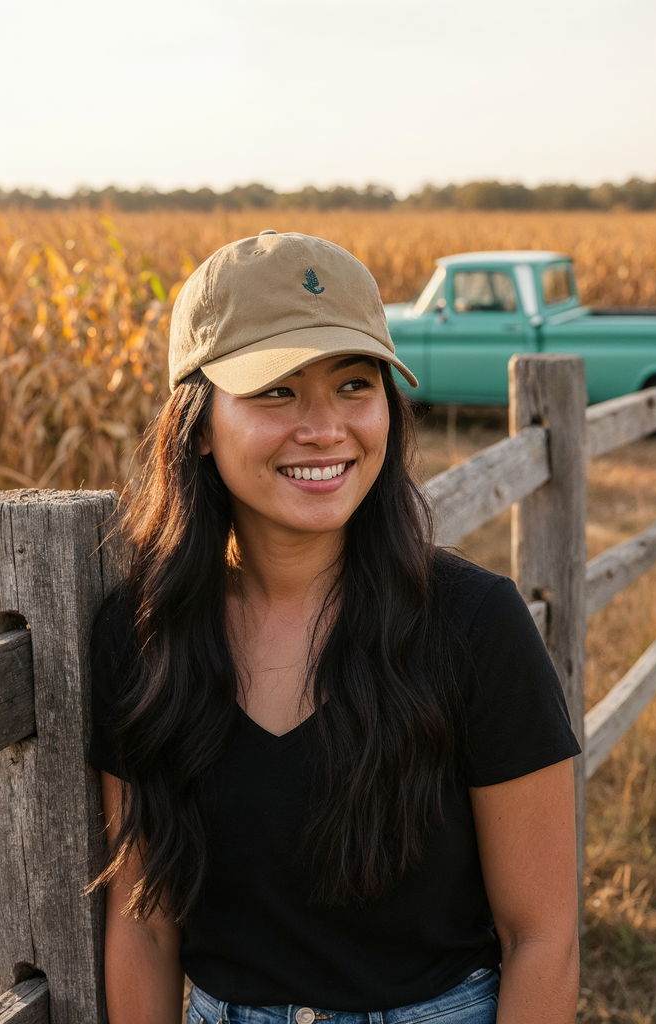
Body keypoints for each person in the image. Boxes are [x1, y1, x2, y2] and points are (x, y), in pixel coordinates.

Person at [87, 231, 581, 1024]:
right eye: (277, 390)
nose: (325, 429)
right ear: (199, 423)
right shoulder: (142, 634)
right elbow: (143, 923)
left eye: (355, 384)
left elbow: (543, 937)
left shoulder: (475, 628)